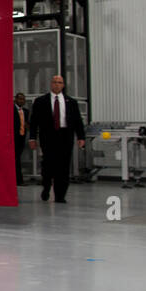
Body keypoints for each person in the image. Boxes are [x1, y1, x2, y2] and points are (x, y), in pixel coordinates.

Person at [29, 74, 86, 203]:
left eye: (59, 82)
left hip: (65, 136)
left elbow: (78, 121)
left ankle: (60, 195)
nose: (57, 84)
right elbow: (34, 122)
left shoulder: (71, 102)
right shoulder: (40, 101)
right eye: (54, 82)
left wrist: (81, 137)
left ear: (63, 85)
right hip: (48, 136)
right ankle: (46, 186)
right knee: (48, 165)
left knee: (64, 167)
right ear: (51, 84)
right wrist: (32, 138)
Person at [13, 92, 30, 186]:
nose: (21, 101)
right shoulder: (11, 109)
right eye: (19, 99)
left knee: (18, 158)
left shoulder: (26, 111)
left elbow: (27, 123)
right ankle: (18, 180)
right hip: (13, 138)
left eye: (23, 99)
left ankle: (18, 179)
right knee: (16, 159)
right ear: (15, 99)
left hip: (21, 137)